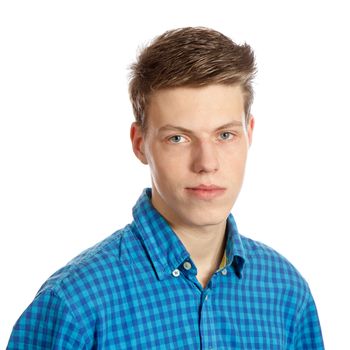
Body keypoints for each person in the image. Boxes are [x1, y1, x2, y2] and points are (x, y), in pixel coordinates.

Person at [7, 27, 324, 349]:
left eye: (225, 135)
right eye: (178, 138)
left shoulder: (285, 290)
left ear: (250, 133)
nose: (207, 162)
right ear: (140, 143)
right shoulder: (75, 303)